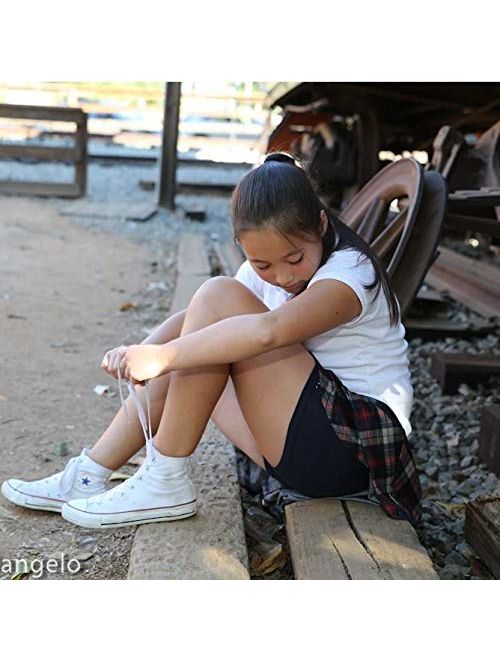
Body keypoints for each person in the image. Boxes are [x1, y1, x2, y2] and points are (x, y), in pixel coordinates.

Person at [1, 152, 422, 530]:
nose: (282, 276)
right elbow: (199, 327)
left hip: (356, 452)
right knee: (200, 332)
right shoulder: (272, 274)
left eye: (295, 258)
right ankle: (90, 474)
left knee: (214, 301)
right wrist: (141, 352)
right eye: (261, 264)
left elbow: (267, 332)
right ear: (243, 247)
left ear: (322, 225)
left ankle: (165, 478)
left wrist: (163, 357)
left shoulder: (350, 275)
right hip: (304, 444)